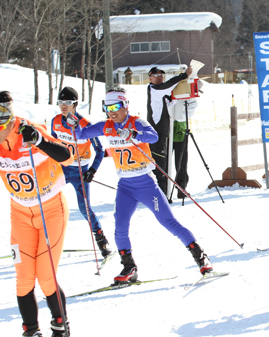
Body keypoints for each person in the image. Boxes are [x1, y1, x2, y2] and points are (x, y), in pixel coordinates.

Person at [69, 86, 213, 283]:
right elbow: (81, 134)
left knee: (168, 222)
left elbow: (153, 136)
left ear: (125, 106)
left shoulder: (136, 122)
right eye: (108, 108)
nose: (112, 112)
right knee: (119, 227)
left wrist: (134, 134)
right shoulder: (106, 126)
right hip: (125, 187)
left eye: (116, 107)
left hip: (146, 184)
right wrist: (73, 124)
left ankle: (201, 258)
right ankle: (129, 268)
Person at [0, 91, 73, 337]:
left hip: (51, 210)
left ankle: (61, 333)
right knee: (24, 279)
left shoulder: (30, 132)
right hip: (20, 215)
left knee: (46, 276)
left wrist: (39, 141)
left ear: (11, 120)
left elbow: (67, 155)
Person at [50, 87, 111, 258]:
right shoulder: (55, 121)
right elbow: (52, 144)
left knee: (84, 208)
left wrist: (92, 170)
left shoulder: (85, 124)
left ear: (75, 104)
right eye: (61, 102)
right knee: (47, 203)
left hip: (80, 170)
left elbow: (100, 150)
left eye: (68, 103)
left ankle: (102, 241)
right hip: (61, 168)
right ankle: (46, 242)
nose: (64, 106)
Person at [146, 66, 193, 199]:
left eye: (161, 74)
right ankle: (160, 196)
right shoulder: (155, 90)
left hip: (163, 134)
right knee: (160, 167)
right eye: (156, 75)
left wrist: (185, 93)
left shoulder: (162, 94)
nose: (159, 76)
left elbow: (171, 102)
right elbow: (168, 86)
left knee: (165, 165)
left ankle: (165, 194)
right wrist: (184, 76)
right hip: (156, 135)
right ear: (150, 78)